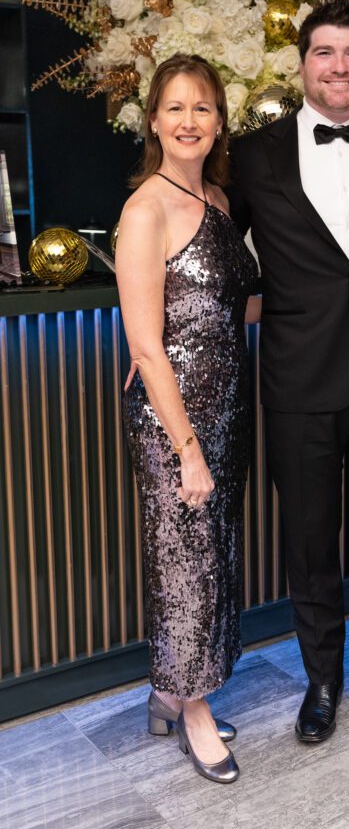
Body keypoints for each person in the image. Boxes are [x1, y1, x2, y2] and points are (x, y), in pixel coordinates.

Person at [229, 0, 349, 743]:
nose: (339, 67)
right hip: (299, 376)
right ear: (302, 62)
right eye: (324, 52)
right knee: (309, 542)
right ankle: (320, 682)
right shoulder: (253, 154)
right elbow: (214, 253)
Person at [116, 54, 259, 784]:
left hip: (228, 407)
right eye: (174, 107)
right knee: (185, 568)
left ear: (220, 121)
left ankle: (167, 695)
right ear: (152, 121)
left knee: (215, 558)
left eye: (202, 107)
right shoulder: (145, 210)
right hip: (175, 424)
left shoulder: (220, 200)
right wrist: (188, 448)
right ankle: (194, 711)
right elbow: (146, 346)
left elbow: (235, 307)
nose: (189, 121)